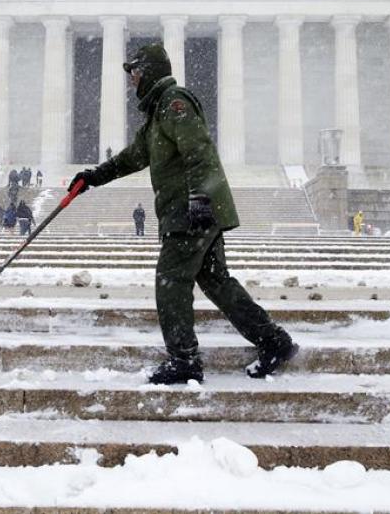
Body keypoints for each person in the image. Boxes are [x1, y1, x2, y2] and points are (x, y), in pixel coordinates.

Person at [68, 42, 297, 385]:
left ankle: (185, 360)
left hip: (190, 212)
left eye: (135, 73)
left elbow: (199, 152)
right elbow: (132, 157)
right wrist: (93, 177)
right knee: (217, 282)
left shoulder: (175, 104)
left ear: (149, 72)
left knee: (171, 283)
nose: (132, 81)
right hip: (194, 212)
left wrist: (199, 208)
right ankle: (274, 341)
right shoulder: (158, 113)